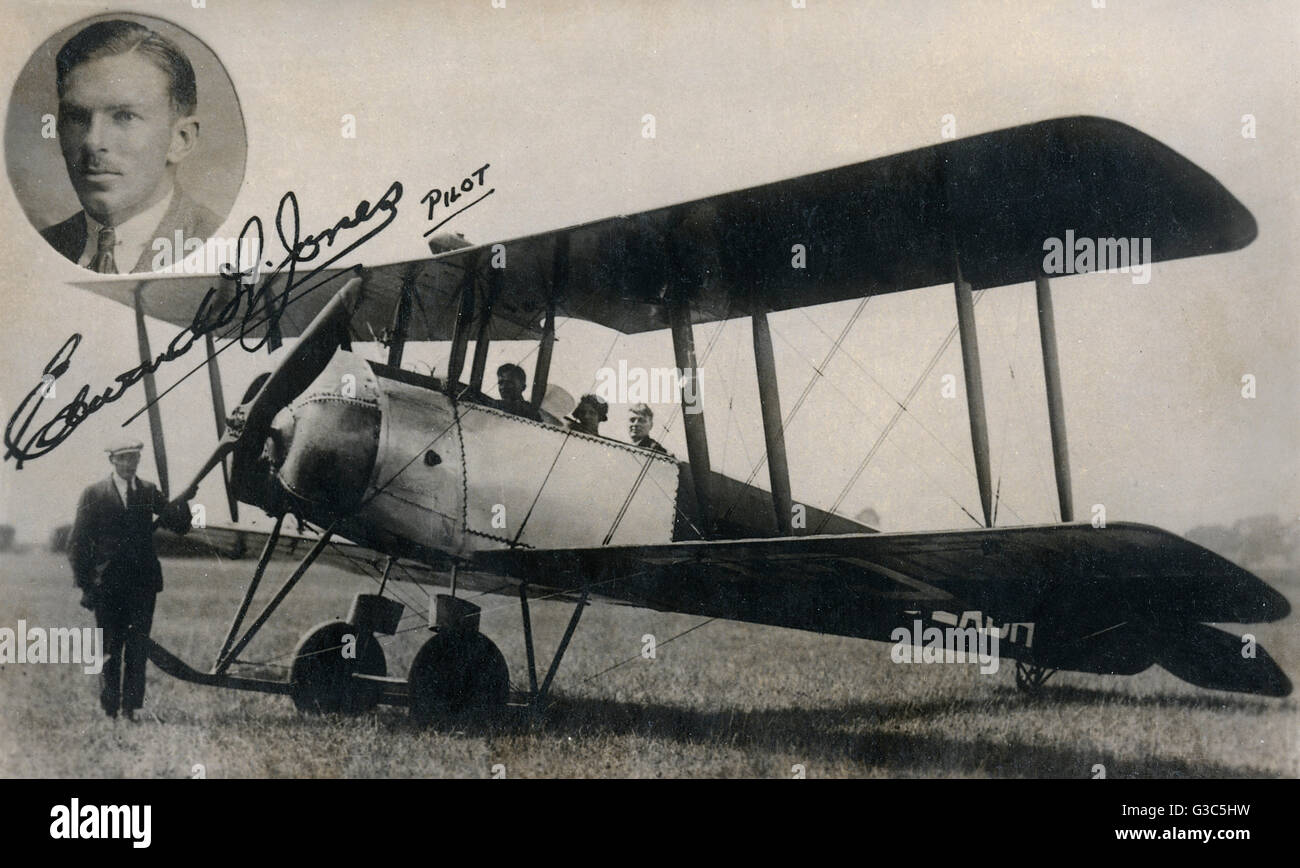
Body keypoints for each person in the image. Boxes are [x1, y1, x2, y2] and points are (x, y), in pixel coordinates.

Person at [40, 19, 222, 273]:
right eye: (77, 117)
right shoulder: (32, 249)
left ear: (181, 139)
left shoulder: (231, 252)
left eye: (125, 116)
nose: (93, 141)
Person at [68, 440, 191, 720]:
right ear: (112, 460)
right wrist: (86, 586)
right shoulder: (94, 493)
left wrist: (184, 501)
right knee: (110, 648)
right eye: (124, 458)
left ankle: (130, 709)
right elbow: (78, 543)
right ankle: (110, 709)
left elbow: (180, 525)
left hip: (142, 585)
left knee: (137, 648)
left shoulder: (148, 491)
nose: (130, 463)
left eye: (134, 457)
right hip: (107, 586)